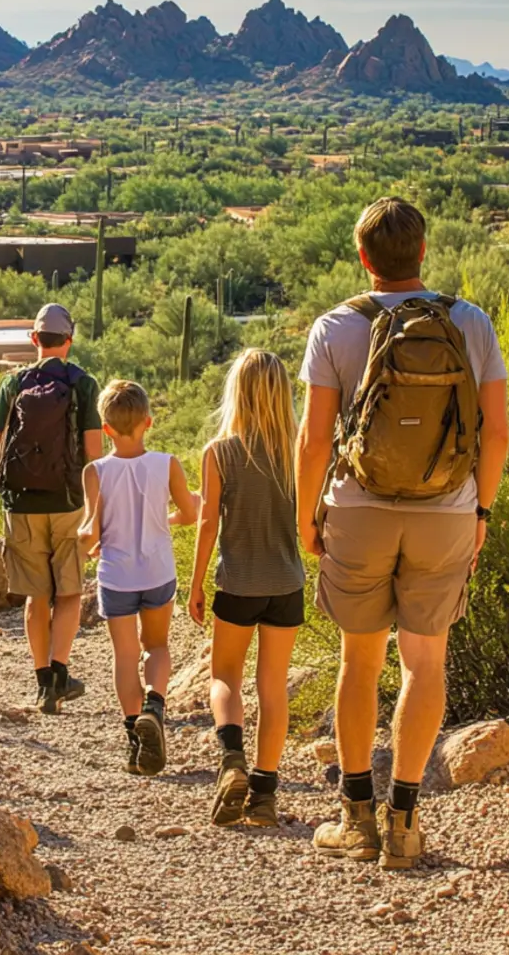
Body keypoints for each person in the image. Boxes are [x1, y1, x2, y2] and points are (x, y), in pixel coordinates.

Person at [296, 197, 509, 869]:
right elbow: (497, 432)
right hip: (447, 509)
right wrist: (481, 512)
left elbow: (310, 440)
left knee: (359, 661)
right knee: (426, 663)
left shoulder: (334, 327)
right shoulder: (470, 323)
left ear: (364, 258)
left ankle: (355, 817)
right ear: (423, 252)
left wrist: (308, 516)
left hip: (357, 509)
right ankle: (406, 822)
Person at [188, 350, 306, 828]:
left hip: (237, 584)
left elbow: (207, 523)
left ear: (237, 393)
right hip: (287, 584)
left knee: (225, 679)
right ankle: (264, 796)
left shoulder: (220, 453)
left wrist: (195, 584)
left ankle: (232, 757)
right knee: (273, 687)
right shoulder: (299, 453)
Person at [0, 304, 104, 714]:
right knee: (68, 592)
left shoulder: (13, 382)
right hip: (69, 502)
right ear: (69, 340)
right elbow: (93, 452)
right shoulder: (83, 384)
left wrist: (5, 490)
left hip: (21, 504)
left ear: (34, 339)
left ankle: (40, 685)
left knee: (37, 597)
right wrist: (94, 508)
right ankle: (60, 673)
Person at [80, 380, 197, 775]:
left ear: (106, 428)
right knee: (158, 646)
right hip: (158, 570)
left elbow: (91, 532)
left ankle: (134, 744)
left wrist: (90, 540)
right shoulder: (167, 464)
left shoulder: (95, 471)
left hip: (116, 576)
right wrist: (162, 520)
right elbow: (190, 514)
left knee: (126, 656)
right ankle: (155, 707)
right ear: (148, 421)